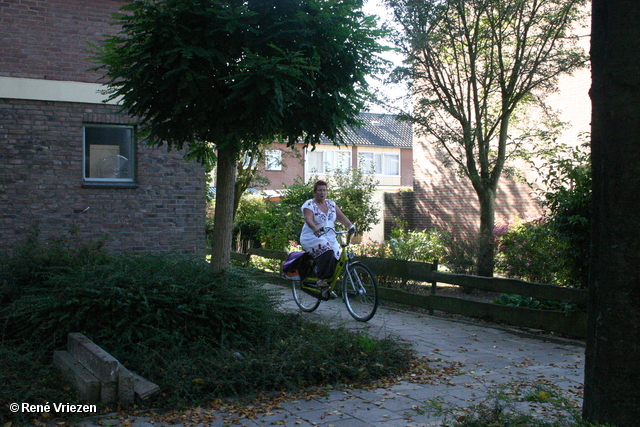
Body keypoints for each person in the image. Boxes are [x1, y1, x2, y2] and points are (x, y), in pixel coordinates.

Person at [299, 180, 355, 291]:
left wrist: (351, 226)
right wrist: (315, 228)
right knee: (327, 252)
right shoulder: (309, 205)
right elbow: (308, 219)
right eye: (319, 190)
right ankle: (320, 280)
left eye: (324, 190)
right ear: (314, 192)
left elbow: (341, 217)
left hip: (330, 237)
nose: (322, 193)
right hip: (313, 237)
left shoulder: (331, 204)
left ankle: (327, 286)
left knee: (337, 257)